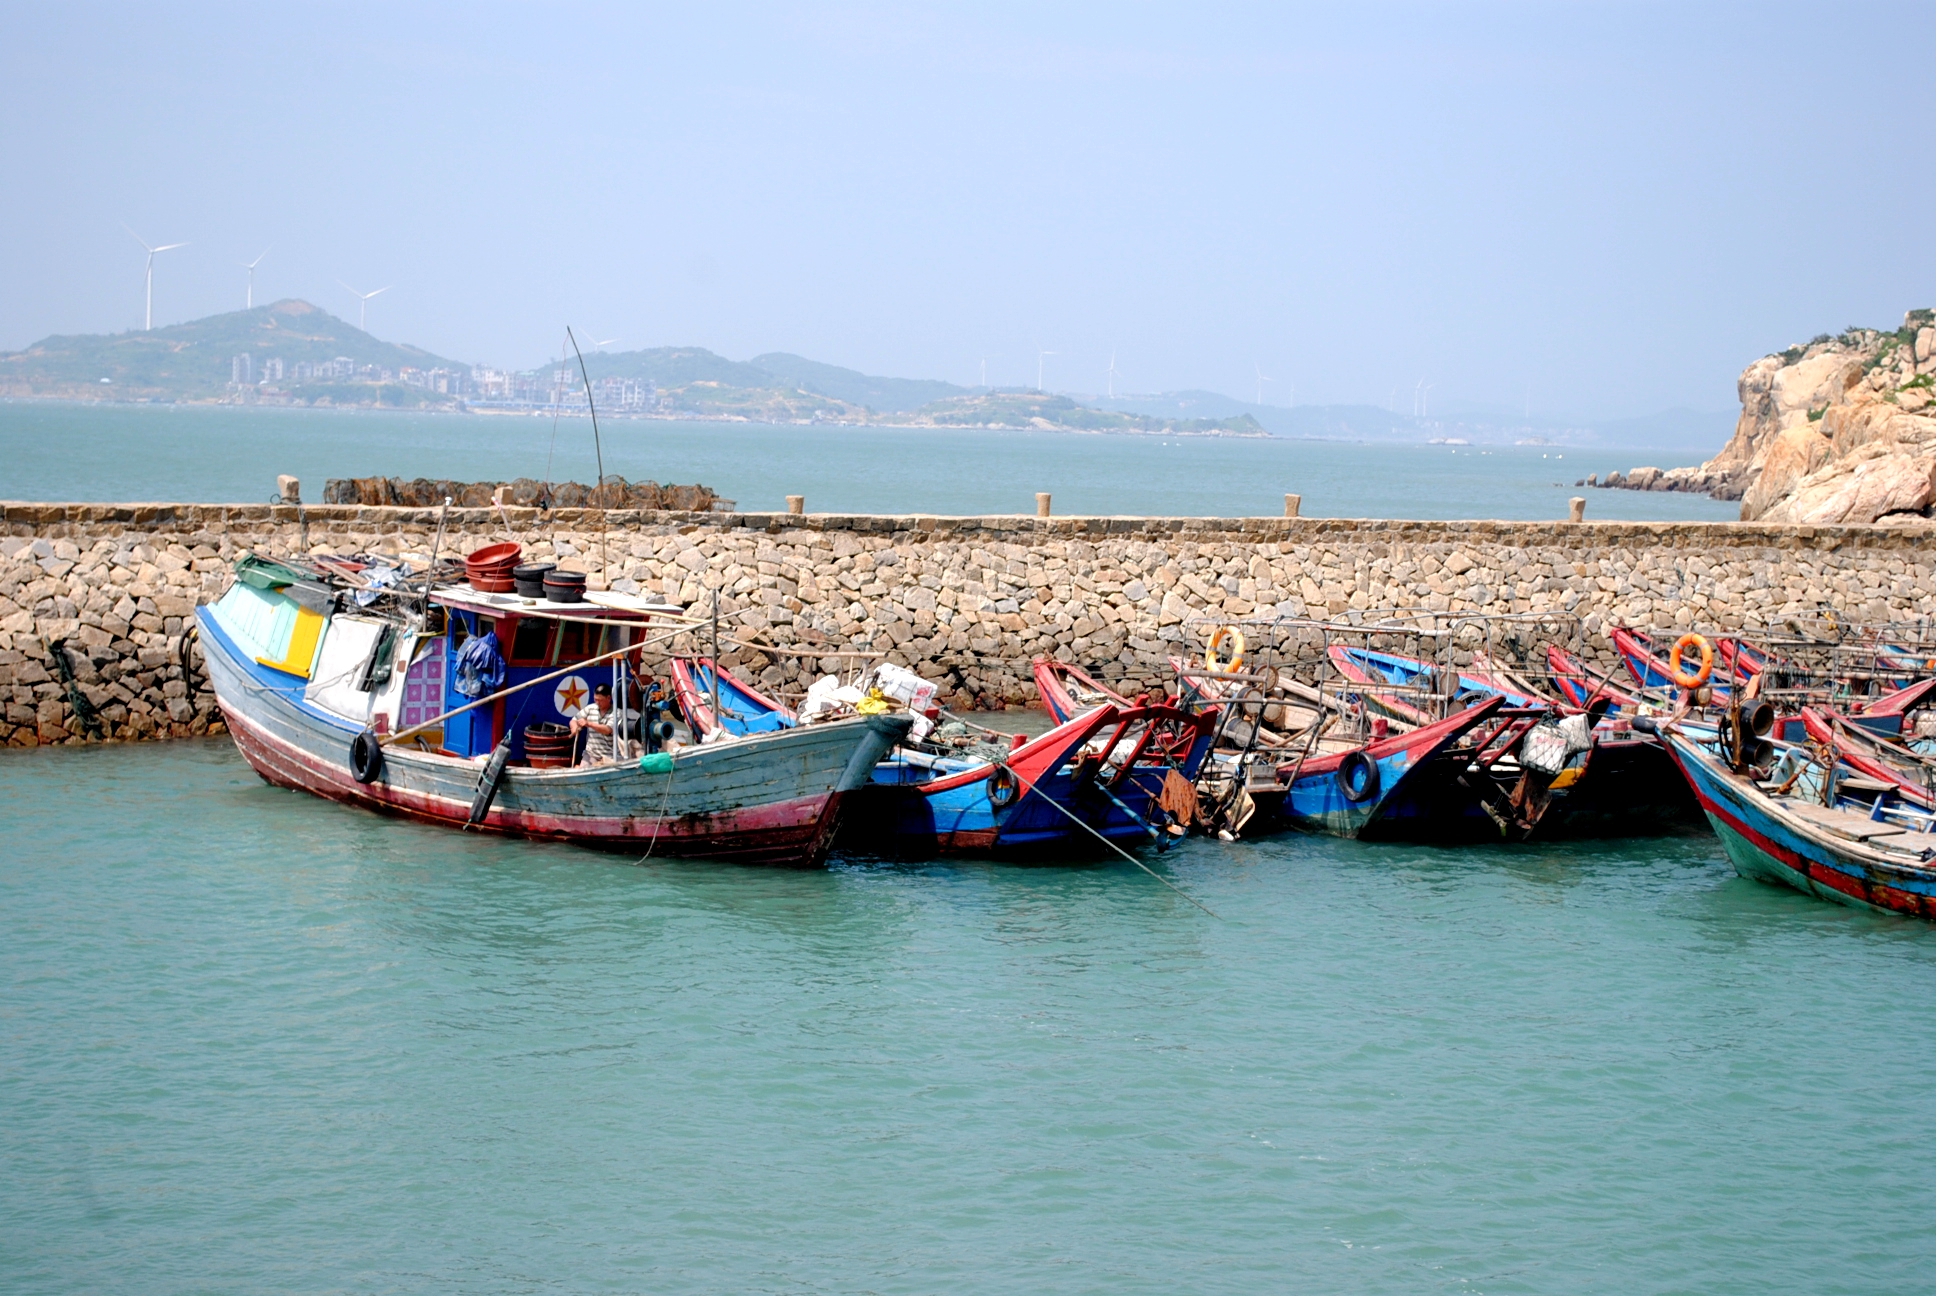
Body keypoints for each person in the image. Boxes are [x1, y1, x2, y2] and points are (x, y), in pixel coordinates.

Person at [571, 683, 617, 765]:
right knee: (583, 773)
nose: (597, 703)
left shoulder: (617, 712)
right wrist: (574, 728)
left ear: (609, 698)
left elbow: (607, 729)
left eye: (600, 700)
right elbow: (574, 720)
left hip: (610, 756)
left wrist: (588, 724)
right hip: (591, 754)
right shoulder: (590, 708)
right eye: (596, 700)